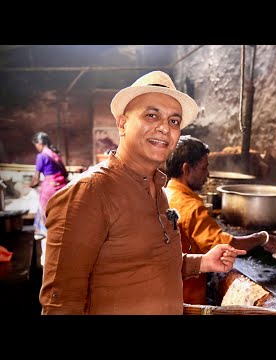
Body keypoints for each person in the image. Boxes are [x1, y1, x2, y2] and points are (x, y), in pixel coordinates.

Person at [39, 71, 246, 315]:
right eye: (151, 115)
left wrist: (202, 262)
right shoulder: (89, 193)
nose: (164, 128)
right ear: (122, 123)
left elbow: (147, 261)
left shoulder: (158, 189)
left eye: (174, 121)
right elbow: (60, 304)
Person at [164, 135, 276, 305]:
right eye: (204, 168)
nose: (208, 174)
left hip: (167, 288)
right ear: (187, 169)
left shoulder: (165, 193)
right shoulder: (189, 206)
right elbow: (226, 245)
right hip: (186, 297)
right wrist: (262, 237)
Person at [29, 132, 69, 239]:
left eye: (36, 145)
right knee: (60, 211)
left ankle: (44, 232)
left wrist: (31, 185)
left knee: (44, 209)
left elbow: (36, 178)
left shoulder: (41, 156)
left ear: (40, 143)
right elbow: (65, 173)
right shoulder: (55, 155)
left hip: (49, 187)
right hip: (61, 186)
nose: (36, 147)